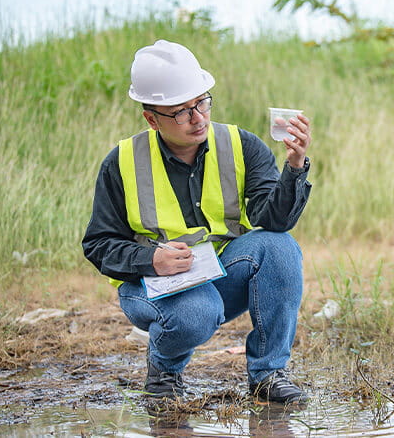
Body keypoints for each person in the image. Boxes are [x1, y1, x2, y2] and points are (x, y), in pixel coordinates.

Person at [82, 40, 312, 404]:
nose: (198, 117)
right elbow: (98, 244)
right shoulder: (122, 161)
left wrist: (294, 167)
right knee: (196, 311)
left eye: (201, 102)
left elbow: (274, 221)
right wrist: (152, 260)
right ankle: (164, 372)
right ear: (151, 117)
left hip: (219, 273)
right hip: (152, 285)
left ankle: (268, 374)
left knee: (279, 247)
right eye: (180, 111)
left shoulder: (241, 144)